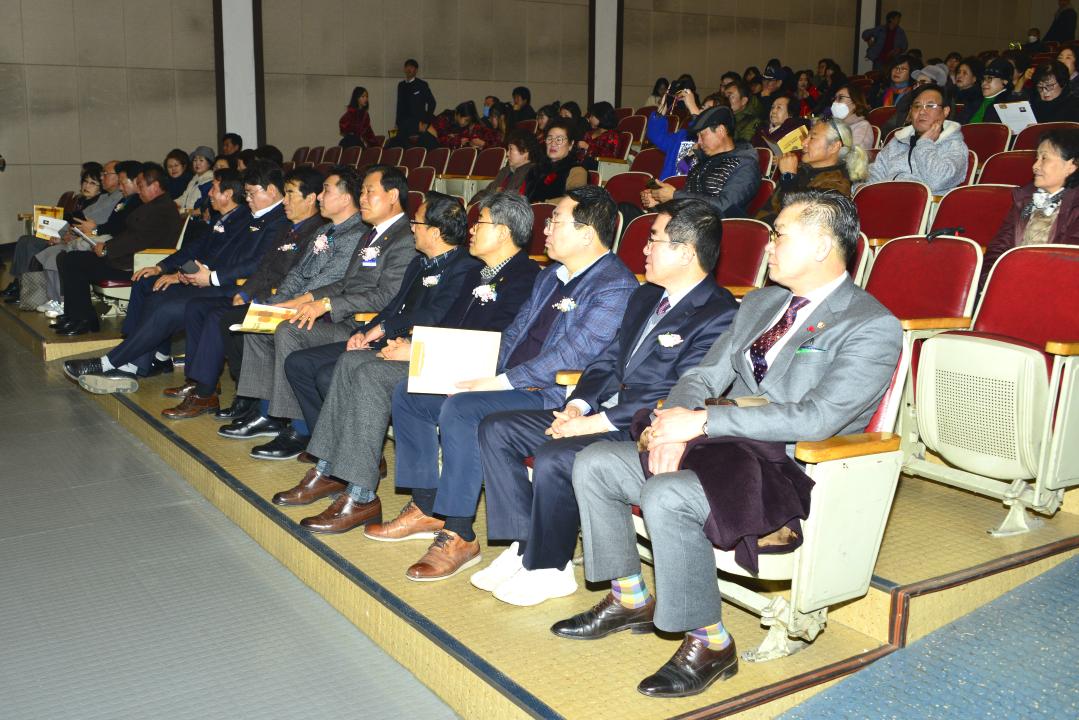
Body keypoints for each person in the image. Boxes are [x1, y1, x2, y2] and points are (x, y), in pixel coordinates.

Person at [553, 189, 902, 699]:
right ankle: (629, 597)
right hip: (715, 450)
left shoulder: (870, 324)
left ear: (823, 246)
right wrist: (672, 424)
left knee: (666, 493)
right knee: (597, 462)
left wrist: (703, 423)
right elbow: (701, 375)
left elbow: (819, 417)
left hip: (781, 467)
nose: (768, 246)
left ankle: (711, 642)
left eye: (780, 235)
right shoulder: (761, 303)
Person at [363, 186, 639, 581]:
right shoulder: (551, 276)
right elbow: (511, 336)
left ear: (586, 232)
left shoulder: (614, 285)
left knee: (461, 410)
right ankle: (427, 506)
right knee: (412, 392)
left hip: (550, 394)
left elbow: (573, 356)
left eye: (556, 221)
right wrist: (472, 371)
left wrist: (498, 382)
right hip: (510, 380)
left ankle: (459, 533)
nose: (546, 229)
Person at [473, 199, 739, 606]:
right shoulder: (646, 297)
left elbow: (680, 391)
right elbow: (607, 361)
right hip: (599, 413)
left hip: (643, 427)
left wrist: (596, 422)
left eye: (654, 240)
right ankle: (524, 544)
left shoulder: (719, 314)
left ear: (686, 252)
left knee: (556, 455)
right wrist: (578, 405)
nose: (644, 249)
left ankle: (550, 567)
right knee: (498, 428)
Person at [274, 192, 541, 531]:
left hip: (472, 368)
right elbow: (446, 323)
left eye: (481, 223)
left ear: (502, 232)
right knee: (350, 362)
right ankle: (329, 470)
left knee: (370, 374)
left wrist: (417, 351)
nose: (471, 229)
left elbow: (497, 343)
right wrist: (412, 343)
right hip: (443, 355)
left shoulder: (525, 278)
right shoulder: (480, 272)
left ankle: (361, 496)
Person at [273, 191, 480, 474]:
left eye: (417, 223)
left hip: (411, 345)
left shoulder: (464, 268)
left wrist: (383, 328)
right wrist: (365, 331)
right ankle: (334, 446)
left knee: (327, 374)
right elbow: (393, 306)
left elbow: (434, 315)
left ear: (435, 232)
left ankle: (353, 454)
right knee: (299, 364)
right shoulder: (419, 262)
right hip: (385, 338)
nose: (412, 228)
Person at [220, 165, 414, 461]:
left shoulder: (404, 238)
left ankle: (298, 428)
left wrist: (326, 305)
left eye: (369, 192)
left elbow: (386, 296)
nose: (362, 198)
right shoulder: (372, 234)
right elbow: (344, 283)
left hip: (363, 325)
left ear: (393, 195)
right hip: (344, 317)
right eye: (361, 191)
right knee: (260, 324)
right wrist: (305, 299)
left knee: (289, 330)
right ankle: (267, 413)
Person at [64, 163, 290, 392]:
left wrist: (206, 276)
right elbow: (208, 250)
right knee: (157, 294)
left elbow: (256, 263)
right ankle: (133, 363)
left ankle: (112, 363)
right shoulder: (254, 216)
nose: (247, 198)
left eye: (251, 193)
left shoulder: (276, 220)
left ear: (271, 191)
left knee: (167, 305)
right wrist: (174, 270)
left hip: (240, 288)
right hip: (218, 279)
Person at [160, 166, 328, 419]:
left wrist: (259, 298)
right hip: (262, 294)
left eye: (291, 194)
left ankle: (219, 394)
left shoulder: (316, 232)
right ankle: (208, 385)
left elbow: (299, 279)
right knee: (198, 307)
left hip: (283, 301)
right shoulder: (288, 228)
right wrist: (246, 292)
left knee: (220, 317)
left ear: (310, 198)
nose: (285, 200)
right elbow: (263, 266)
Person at [54, 163, 182, 336]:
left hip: (136, 266)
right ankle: (75, 315)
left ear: (155, 186)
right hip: (127, 258)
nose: (139, 190)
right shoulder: (156, 206)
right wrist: (106, 247)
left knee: (73, 261)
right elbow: (131, 236)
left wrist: (107, 248)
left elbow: (138, 240)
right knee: (68, 258)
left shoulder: (161, 210)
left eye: (141, 186)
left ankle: (83, 319)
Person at [980, 128, 1079, 289]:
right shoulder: (1025, 199)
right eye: (1036, 158)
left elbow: (1069, 262)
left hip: (1054, 290)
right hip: (1010, 284)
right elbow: (998, 248)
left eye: (1044, 158)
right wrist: (991, 282)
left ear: (1071, 165)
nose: (1035, 166)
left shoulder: (1076, 206)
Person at [642, 106, 761, 219]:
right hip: (689, 222)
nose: (698, 142)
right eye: (697, 136)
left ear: (721, 130)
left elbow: (726, 207)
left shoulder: (745, 164)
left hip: (715, 229)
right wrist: (659, 204)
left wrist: (674, 196)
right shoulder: (703, 160)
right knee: (631, 211)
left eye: (702, 135)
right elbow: (689, 195)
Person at [758, 119, 867, 224]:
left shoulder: (839, 182)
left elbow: (801, 220)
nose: (803, 143)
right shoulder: (801, 168)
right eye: (806, 137)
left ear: (834, 147)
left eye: (812, 138)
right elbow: (768, 209)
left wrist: (788, 176)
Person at [867, 84, 969, 196]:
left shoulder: (955, 146)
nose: (921, 111)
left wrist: (925, 143)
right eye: (917, 106)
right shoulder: (898, 141)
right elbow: (875, 173)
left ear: (945, 111)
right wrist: (862, 188)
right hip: (886, 199)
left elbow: (937, 181)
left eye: (930, 105)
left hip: (926, 205)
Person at [470, 130, 542, 206]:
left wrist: (495, 196)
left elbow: (512, 201)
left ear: (525, 151)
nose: (507, 154)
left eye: (511, 149)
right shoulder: (505, 170)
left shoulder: (532, 174)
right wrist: (472, 205)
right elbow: (486, 192)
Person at [524, 120, 587, 203]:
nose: (553, 143)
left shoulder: (577, 171)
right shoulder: (536, 168)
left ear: (571, 144)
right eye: (549, 138)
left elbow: (574, 200)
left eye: (559, 139)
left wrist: (542, 205)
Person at [392, 59, 436, 146]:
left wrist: (426, 122)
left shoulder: (422, 84)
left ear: (416, 70)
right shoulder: (401, 85)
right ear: (404, 69)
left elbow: (432, 103)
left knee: (414, 148)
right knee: (393, 142)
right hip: (402, 124)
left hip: (417, 124)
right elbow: (399, 105)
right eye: (407, 67)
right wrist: (396, 123)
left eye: (412, 67)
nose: (409, 69)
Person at [963, 57, 1015, 124]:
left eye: (989, 79)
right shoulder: (973, 100)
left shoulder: (1009, 104)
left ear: (1005, 81)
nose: (984, 83)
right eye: (983, 79)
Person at [830, 85, 875, 152]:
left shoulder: (863, 127)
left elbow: (854, 155)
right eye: (834, 99)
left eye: (840, 98)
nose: (834, 103)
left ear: (855, 103)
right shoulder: (834, 125)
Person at [577, 102, 621, 168]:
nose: (589, 119)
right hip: (582, 165)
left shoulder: (612, 135)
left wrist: (588, 147)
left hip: (600, 167)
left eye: (592, 116)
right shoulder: (589, 133)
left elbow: (611, 157)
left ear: (602, 117)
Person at [175, 146, 215, 214]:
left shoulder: (210, 182)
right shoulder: (194, 179)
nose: (197, 163)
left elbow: (201, 208)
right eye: (195, 160)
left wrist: (183, 211)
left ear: (209, 164)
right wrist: (173, 203)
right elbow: (184, 197)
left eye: (201, 160)